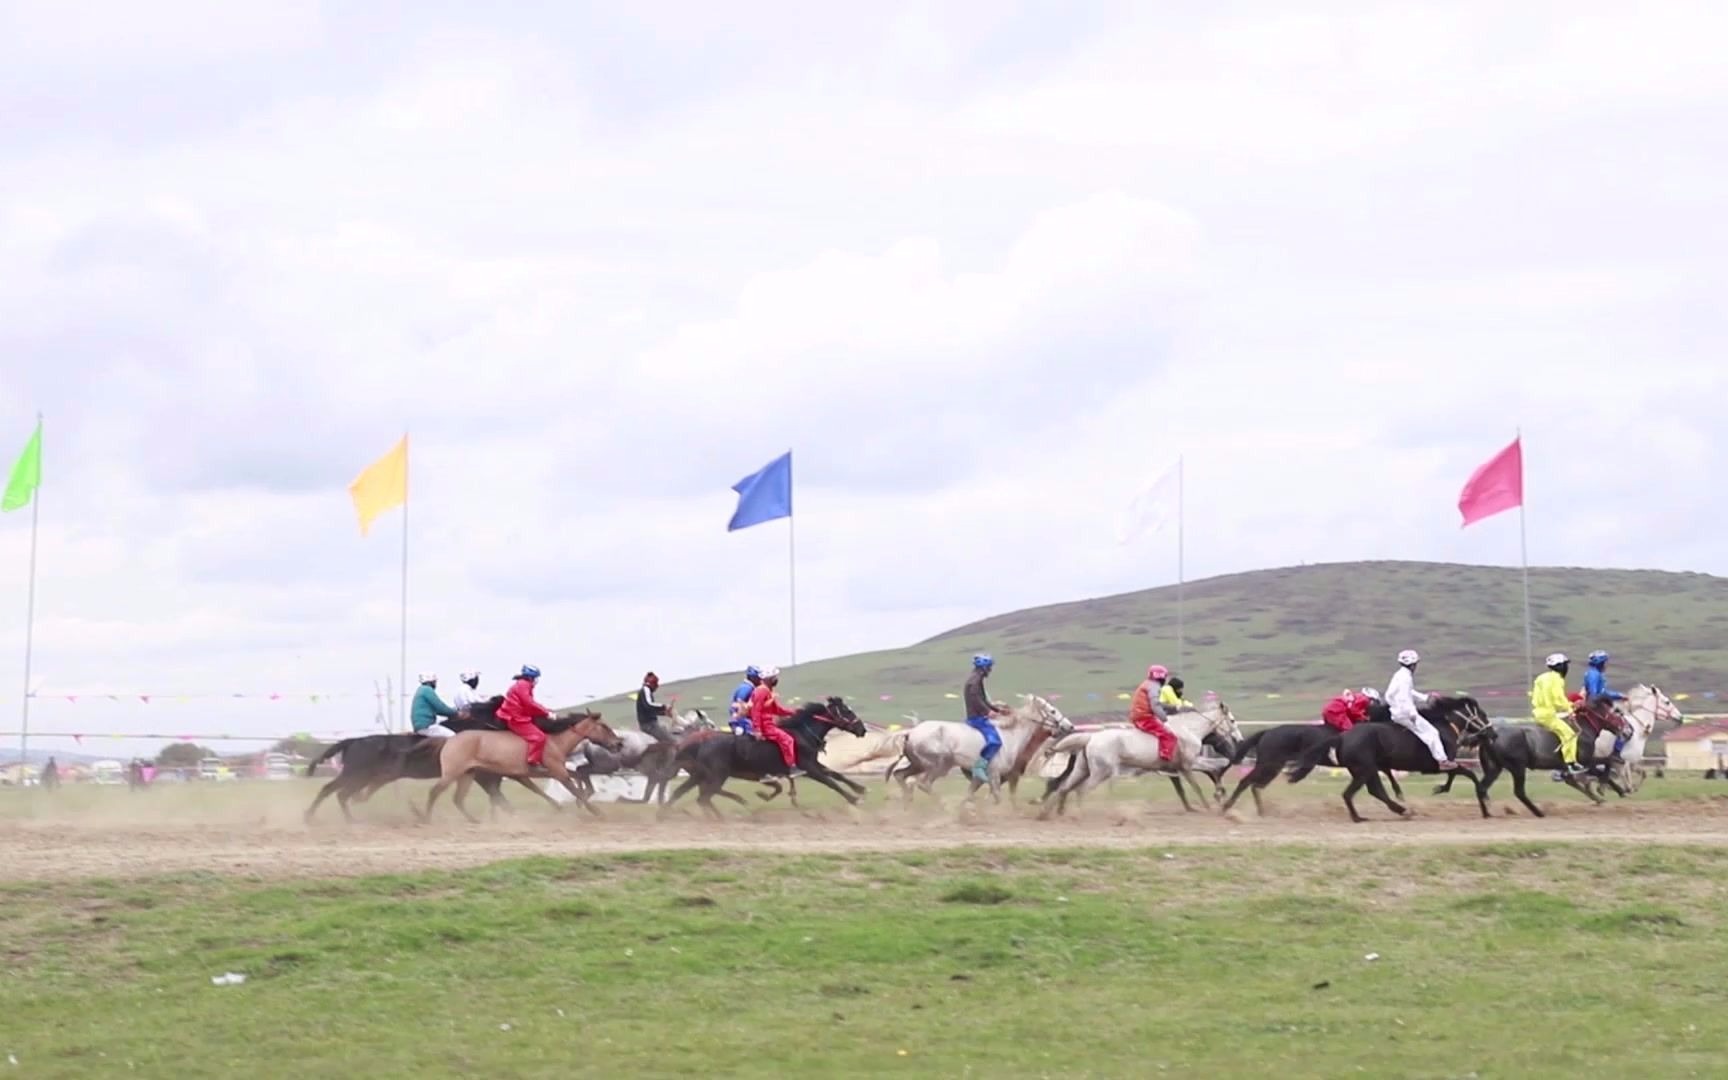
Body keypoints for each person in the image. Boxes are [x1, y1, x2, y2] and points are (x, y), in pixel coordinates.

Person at [1386, 650, 1457, 770]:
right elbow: (1405, 697)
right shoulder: (1406, 678)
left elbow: (1390, 695)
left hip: (1397, 712)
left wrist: (1425, 698)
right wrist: (1412, 713)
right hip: (1406, 714)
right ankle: (1442, 761)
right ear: (1413, 665)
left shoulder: (1399, 675)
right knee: (1432, 733)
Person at [1532, 652, 1583, 778]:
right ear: (1560, 667)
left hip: (1538, 712)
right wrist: (1570, 708)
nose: (1567, 668)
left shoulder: (1541, 678)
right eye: (1565, 665)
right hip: (1548, 715)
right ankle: (1570, 763)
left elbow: (1536, 698)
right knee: (1570, 734)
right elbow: (1557, 699)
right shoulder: (1557, 679)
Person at [963, 654, 1008, 782]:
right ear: (983, 667)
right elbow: (976, 700)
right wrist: (987, 712)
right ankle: (979, 766)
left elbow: (983, 700)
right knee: (995, 741)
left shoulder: (977, 679)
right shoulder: (974, 682)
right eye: (989, 667)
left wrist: (997, 710)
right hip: (976, 718)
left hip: (980, 715)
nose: (990, 670)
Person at [498, 665, 551, 766]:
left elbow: (530, 705)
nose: (537, 680)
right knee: (540, 737)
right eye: (536, 678)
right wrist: (547, 713)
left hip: (514, 715)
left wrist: (546, 711)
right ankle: (532, 760)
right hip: (516, 718)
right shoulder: (524, 685)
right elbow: (529, 703)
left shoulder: (522, 685)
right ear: (531, 677)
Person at [748, 667, 798, 773]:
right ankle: (791, 767)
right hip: (766, 726)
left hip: (769, 724)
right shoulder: (762, 691)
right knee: (788, 740)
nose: (776, 679)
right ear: (768, 679)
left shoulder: (768, 691)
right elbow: (756, 710)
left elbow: (777, 710)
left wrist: (793, 712)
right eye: (774, 677)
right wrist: (757, 729)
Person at [1129, 664, 1178, 762]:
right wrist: (1164, 719)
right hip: (1144, 718)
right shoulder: (1154, 686)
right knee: (1169, 736)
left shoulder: (1146, 684)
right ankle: (1166, 758)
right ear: (1161, 677)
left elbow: (1157, 703)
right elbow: (1155, 705)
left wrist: (1170, 707)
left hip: (1137, 716)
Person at [411, 672, 460, 738]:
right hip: (427, 726)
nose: (435, 684)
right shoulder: (427, 690)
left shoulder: (421, 690)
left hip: (421, 725)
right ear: (430, 682)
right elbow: (440, 707)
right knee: (453, 737)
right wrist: (456, 713)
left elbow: (438, 710)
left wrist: (452, 710)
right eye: (434, 682)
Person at [637, 672, 675, 742]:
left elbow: (650, 710)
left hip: (648, 724)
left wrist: (664, 713)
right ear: (653, 683)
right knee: (672, 741)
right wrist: (664, 706)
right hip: (649, 725)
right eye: (656, 684)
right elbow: (649, 704)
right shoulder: (646, 689)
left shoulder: (645, 690)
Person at [730, 667, 762, 735]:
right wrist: (735, 722)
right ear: (751, 678)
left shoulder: (749, 687)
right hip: (742, 720)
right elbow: (738, 705)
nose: (760, 680)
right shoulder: (746, 688)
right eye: (758, 678)